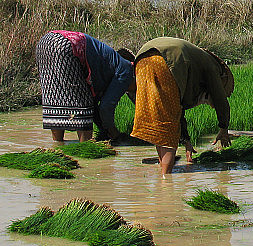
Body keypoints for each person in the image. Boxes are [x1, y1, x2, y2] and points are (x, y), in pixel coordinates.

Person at [130, 37, 234, 176]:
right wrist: (224, 128)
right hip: (166, 61)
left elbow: (177, 108)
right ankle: (166, 180)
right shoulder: (212, 66)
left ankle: (163, 168)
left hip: (142, 60)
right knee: (168, 126)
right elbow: (220, 98)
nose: (211, 106)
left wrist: (187, 142)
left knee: (159, 118)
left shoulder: (195, 62)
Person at [35, 31, 134, 142]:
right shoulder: (127, 70)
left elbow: (96, 107)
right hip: (67, 44)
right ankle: (85, 146)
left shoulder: (110, 66)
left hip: (45, 42)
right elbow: (106, 107)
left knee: (54, 96)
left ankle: (58, 146)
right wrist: (114, 133)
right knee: (82, 102)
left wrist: (104, 130)